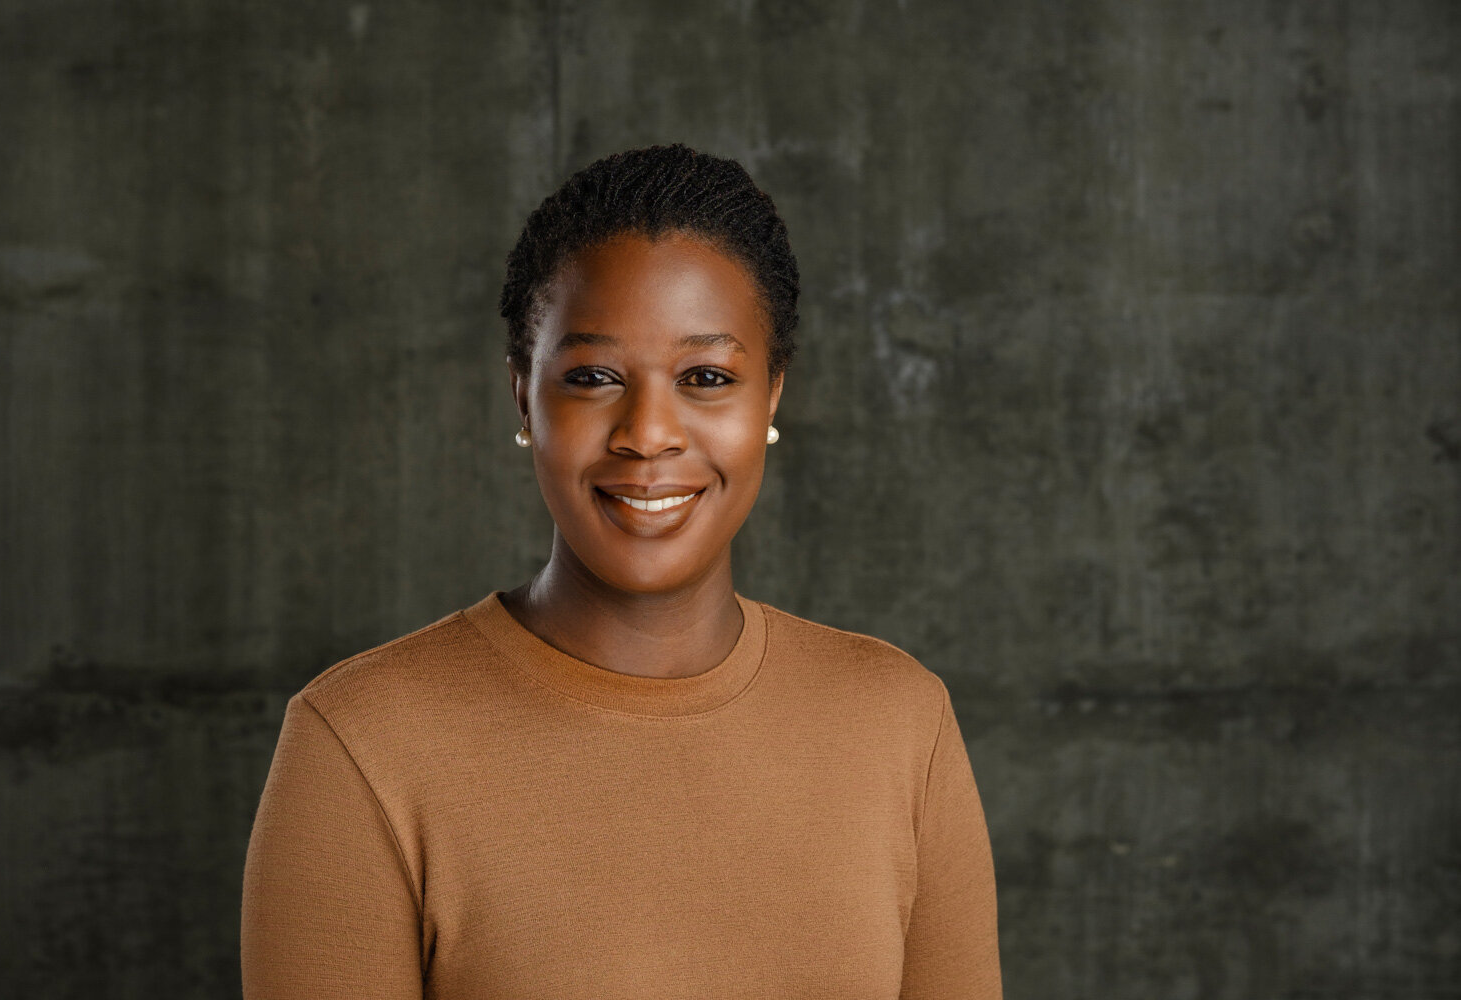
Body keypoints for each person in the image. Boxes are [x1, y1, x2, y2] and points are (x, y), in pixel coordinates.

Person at [240, 144, 1002, 999]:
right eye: (594, 376)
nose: (648, 432)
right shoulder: (360, 745)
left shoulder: (901, 726)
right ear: (524, 398)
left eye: (706, 377)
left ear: (773, 395)